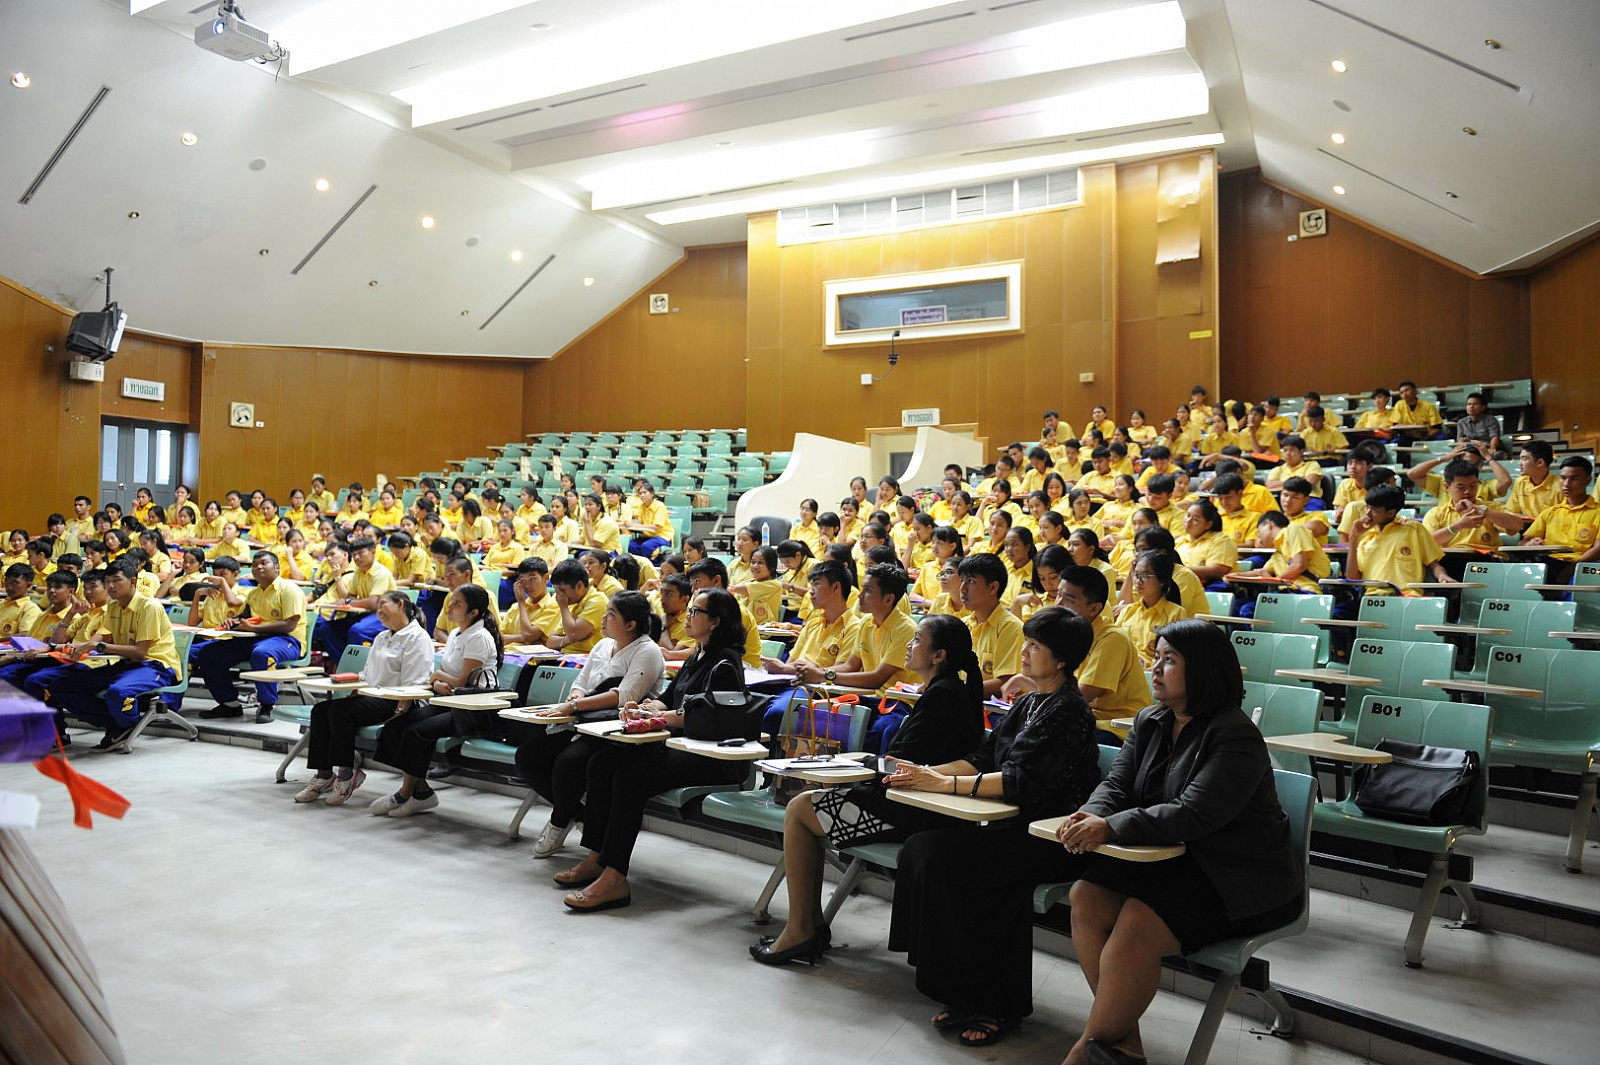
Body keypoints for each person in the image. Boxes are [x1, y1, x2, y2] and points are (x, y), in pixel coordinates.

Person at [1053, 619, 1303, 1065]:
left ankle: (1082, 1054)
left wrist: (1112, 828)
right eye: (1156, 657)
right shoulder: (1151, 720)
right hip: (1176, 860)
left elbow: (1194, 813)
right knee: (1086, 895)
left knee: (1137, 924)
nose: (1155, 668)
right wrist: (1092, 814)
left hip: (1240, 876)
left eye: (1169, 660)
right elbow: (1117, 784)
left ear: (1202, 669)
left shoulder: (1234, 734)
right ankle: (1122, 1045)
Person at [885, 608, 1102, 1046]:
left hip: (1053, 837)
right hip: (1012, 827)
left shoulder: (1069, 710)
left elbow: (1020, 781)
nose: (1024, 652)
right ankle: (957, 990)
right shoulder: (1028, 703)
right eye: (1026, 642)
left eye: (1035, 646)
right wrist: (925, 774)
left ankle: (1000, 1005)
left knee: (979, 871)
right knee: (924, 848)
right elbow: (984, 758)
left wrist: (945, 783)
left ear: (1061, 660)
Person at [750, 614, 990, 965]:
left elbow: (902, 763)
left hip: (910, 809)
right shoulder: (946, 690)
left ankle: (802, 930)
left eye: (917, 640)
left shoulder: (944, 695)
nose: (909, 645)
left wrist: (859, 766)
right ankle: (809, 926)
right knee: (803, 804)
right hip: (908, 801)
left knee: (800, 809)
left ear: (939, 655)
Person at [552, 588, 752, 911]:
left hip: (711, 758)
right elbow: (669, 700)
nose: (687, 617)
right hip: (682, 747)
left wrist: (658, 717)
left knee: (631, 777)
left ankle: (615, 877)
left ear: (715, 622)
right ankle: (597, 857)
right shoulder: (697, 655)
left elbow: (704, 716)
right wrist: (646, 707)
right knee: (602, 763)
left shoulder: (725, 662)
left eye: (695, 612)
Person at [515, 592, 667, 858]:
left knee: (568, 763)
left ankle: (558, 822)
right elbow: (581, 682)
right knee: (528, 756)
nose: (603, 618)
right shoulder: (603, 645)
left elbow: (624, 696)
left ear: (631, 624)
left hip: (616, 730)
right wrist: (575, 697)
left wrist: (574, 705)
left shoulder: (648, 651)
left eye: (611, 614)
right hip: (582, 721)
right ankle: (578, 814)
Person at [367, 584, 504, 818]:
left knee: (417, 732)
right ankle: (422, 792)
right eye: (451, 601)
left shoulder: (480, 637)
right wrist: (438, 682)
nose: (449, 606)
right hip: (449, 701)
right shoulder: (455, 634)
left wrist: (438, 677)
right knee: (397, 725)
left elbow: (461, 681)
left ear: (473, 612)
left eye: (457, 603)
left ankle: (405, 792)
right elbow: (444, 678)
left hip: (475, 710)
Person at [292, 591, 435, 805]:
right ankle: (324, 775)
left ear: (400, 604)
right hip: (373, 695)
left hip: (399, 700)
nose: (378, 611)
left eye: (383, 604)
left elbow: (414, 683)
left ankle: (346, 776)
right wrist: (351, 686)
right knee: (321, 710)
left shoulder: (418, 637)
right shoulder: (382, 637)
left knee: (340, 712)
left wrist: (399, 712)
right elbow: (367, 674)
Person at [24, 558, 180, 749]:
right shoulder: (114, 607)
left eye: (116, 580)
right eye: (107, 581)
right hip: (127, 664)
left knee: (118, 692)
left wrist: (96, 646)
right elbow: (101, 639)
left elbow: (140, 653)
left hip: (157, 665)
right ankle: (116, 726)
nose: (111, 586)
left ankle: (128, 725)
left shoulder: (149, 606)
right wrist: (81, 646)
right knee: (62, 686)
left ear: (132, 581)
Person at [192, 550, 309, 721]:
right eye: (254, 565)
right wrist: (233, 622)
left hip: (288, 640)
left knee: (262, 653)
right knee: (209, 653)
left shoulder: (289, 590)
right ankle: (229, 704)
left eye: (264, 563)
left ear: (277, 567)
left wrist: (255, 628)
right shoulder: (254, 594)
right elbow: (244, 616)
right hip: (255, 638)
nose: (258, 567)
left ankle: (267, 705)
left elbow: (289, 625)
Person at [1520, 455, 1600, 576]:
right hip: (1548, 563)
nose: (1566, 484)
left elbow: (1598, 549)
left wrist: (1572, 568)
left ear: (1588, 480)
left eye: (1574, 479)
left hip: (1582, 566)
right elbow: (1523, 542)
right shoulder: (1550, 512)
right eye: (1563, 478)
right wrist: (1531, 543)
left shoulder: (1597, 512)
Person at [958, 552, 1023, 696]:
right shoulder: (962, 625)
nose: (962, 588)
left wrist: (957, 690)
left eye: (971, 581)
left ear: (993, 587)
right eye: (961, 580)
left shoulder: (1010, 627)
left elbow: (1006, 682)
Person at [1115, 551, 1186, 668]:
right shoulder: (1128, 611)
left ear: (1162, 580)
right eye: (1136, 575)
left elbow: (1175, 656)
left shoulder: (1176, 613)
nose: (1138, 581)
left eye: (1145, 576)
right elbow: (1115, 644)